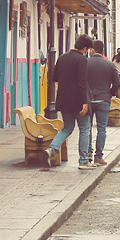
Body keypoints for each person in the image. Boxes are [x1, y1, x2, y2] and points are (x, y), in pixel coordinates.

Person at [46, 34, 92, 168]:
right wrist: (85, 102)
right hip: (78, 100)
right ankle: (83, 161)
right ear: (84, 48)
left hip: (64, 100)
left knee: (67, 128)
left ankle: (51, 149)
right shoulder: (81, 60)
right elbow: (82, 82)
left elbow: (54, 77)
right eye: (87, 49)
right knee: (84, 129)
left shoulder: (62, 57)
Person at [85, 40, 120, 167]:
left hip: (88, 100)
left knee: (86, 127)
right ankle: (98, 157)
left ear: (92, 50)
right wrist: (109, 93)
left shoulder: (85, 63)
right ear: (103, 51)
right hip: (103, 100)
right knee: (101, 129)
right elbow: (117, 84)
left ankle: (88, 153)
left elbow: (80, 81)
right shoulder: (110, 65)